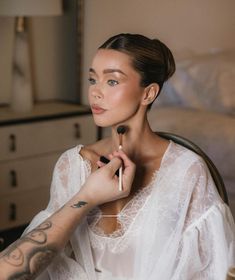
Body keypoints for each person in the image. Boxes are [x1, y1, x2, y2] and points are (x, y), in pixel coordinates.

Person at [1, 33, 234, 279]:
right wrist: (87, 196)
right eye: (92, 79)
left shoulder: (187, 171)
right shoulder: (73, 164)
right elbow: (25, 266)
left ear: (148, 94)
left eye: (112, 81)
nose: (95, 92)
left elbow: (212, 269)